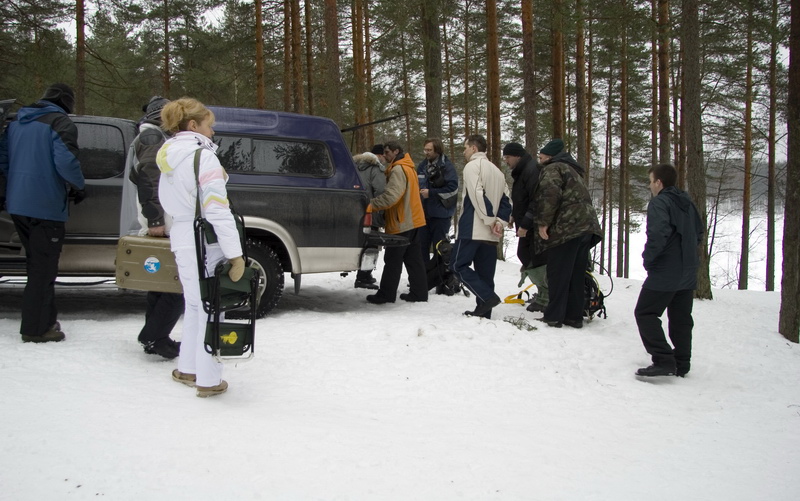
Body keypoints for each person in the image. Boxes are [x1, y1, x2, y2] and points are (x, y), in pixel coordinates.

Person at [156, 98, 245, 398]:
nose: (212, 132)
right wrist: (235, 255)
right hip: (205, 239)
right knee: (213, 306)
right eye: (209, 125)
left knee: (195, 304)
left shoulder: (168, 156)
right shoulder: (203, 157)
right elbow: (218, 209)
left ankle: (188, 368)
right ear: (193, 125)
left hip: (182, 236)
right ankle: (208, 380)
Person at [0, 83, 85, 343]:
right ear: (66, 101)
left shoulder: (16, 122)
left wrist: (16, 186)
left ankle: (46, 320)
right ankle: (35, 329)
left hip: (18, 205)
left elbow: (3, 160)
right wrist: (79, 186)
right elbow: (66, 161)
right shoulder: (60, 123)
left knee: (36, 265)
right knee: (43, 269)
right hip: (45, 206)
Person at [126, 96, 184, 359]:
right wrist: (155, 220)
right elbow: (148, 180)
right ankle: (155, 336)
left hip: (161, 218)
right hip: (162, 221)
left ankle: (155, 337)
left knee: (161, 282)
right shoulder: (153, 138)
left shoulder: (152, 136)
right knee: (176, 284)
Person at [634, 163, 704, 378]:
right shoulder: (686, 201)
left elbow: (657, 234)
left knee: (645, 312)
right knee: (681, 317)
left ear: (659, 182)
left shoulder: (660, 203)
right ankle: (682, 363)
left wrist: (649, 259)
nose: (649, 186)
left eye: (650, 181)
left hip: (667, 270)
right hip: (688, 269)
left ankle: (664, 360)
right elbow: (699, 233)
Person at [534, 144, 602, 328]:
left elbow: (550, 194)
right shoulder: (573, 170)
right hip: (586, 227)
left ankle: (554, 316)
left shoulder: (553, 168)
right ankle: (574, 316)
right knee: (576, 274)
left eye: (541, 157)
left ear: (549, 157)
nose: (539, 160)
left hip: (567, 228)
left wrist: (543, 223)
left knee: (558, 273)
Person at [452, 134, 512, 319]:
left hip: (473, 228)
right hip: (491, 233)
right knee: (485, 273)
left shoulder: (472, 166)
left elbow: (477, 195)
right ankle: (484, 312)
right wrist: (500, 222)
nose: (464, 152)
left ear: (474, 148)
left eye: (465, 148)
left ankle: (487, 298)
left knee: (457, 265)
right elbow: (507, 200)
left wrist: (490, 220)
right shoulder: (497, 171)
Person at [366, 140, 427, 304]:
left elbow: (391, 196)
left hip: (402, 221)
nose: (385, 155)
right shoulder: (409, 167)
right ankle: (419, 293)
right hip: (413, 219)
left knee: (393, 259)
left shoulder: (398, 169)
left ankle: (386, 295)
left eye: (387, 152)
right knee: (414, 259)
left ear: (396, 151)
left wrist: (370, 205)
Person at [503, 142, 548, 313]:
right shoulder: (522, 171)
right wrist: (514, 215)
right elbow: (521, 199)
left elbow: (535, 201)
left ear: (517, 156)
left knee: (534, 258)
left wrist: (525, 225)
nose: (506, 160)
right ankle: (544, 292)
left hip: (534, 227)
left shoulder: (531, 170)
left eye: (507, 157)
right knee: (526, 255)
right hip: (527, 224)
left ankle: (546, 296)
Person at [417, 138, 459, 272]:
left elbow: (453, 189)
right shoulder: (422, 166)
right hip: (423, 215)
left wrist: (431, 193)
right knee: (421, 249)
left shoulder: (447, 167)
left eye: (429, 150)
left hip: (441, 215)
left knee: (440, 249)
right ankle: (423, 277)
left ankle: (440, 278)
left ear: (438, 150)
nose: (426, 152)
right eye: (425, 149)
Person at [353, 150, 385, 289]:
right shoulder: (375, 168)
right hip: (371, 211)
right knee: (371, 244)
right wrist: (381, 209)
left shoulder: (354, 166)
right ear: (378, 156)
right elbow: (381, 189)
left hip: (354, 212)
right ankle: (364, 276)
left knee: (360, 242)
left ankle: (362, 274)